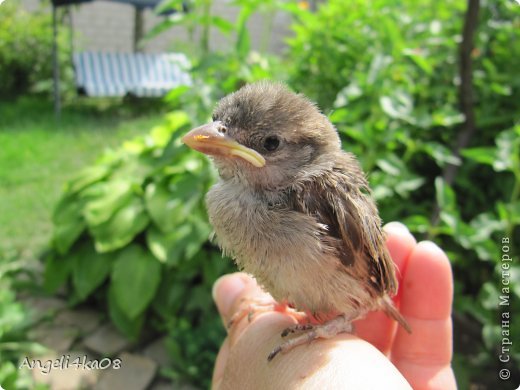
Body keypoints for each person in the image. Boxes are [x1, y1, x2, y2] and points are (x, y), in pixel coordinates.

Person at [211, 222, 457, 389]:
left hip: (360, 286)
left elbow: (367, 273)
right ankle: (284, 305)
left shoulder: (310, 192)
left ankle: (335, 323)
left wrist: (332, 325)